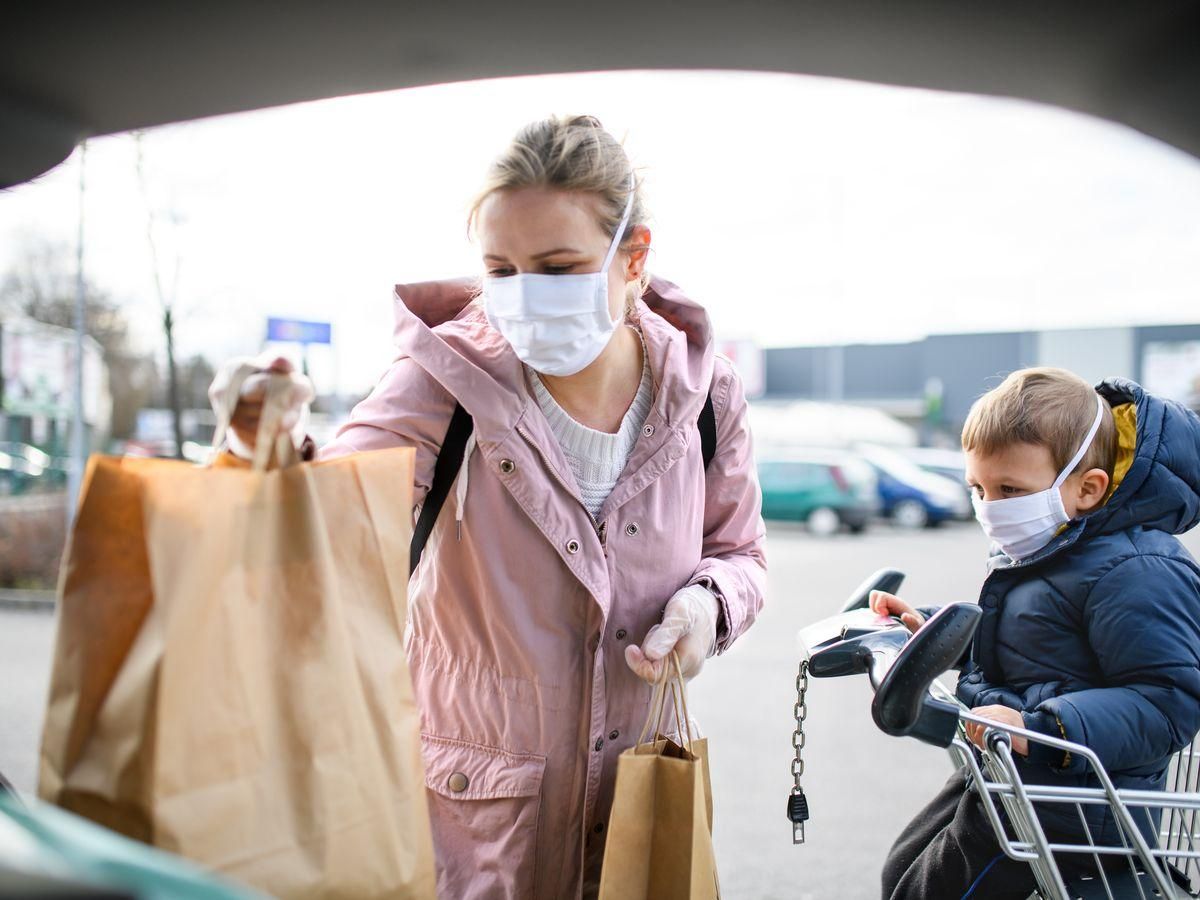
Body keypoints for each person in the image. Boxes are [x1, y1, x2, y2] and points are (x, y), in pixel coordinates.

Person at [209, 114, 766, 898]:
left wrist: (708, 609)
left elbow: (739, 555)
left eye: (559, 266)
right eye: (500, 270)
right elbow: (316, 517)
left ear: (634, 257)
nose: (524, 295)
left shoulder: (705, 393)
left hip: (640, 810)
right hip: (474, 829)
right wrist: (260, 450)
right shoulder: (442, 381)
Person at [872, 367, 1200, 898]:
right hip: (1022, 777)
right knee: (902, 871)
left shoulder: (1137, 570)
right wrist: (933, 628)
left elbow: (1167, 701)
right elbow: (1039, 643)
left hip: (1081, 804)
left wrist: (1040, 725)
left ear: (1088, 488)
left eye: (1010, 489)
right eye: (977, 487)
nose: (989, 507)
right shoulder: (1055, 551)